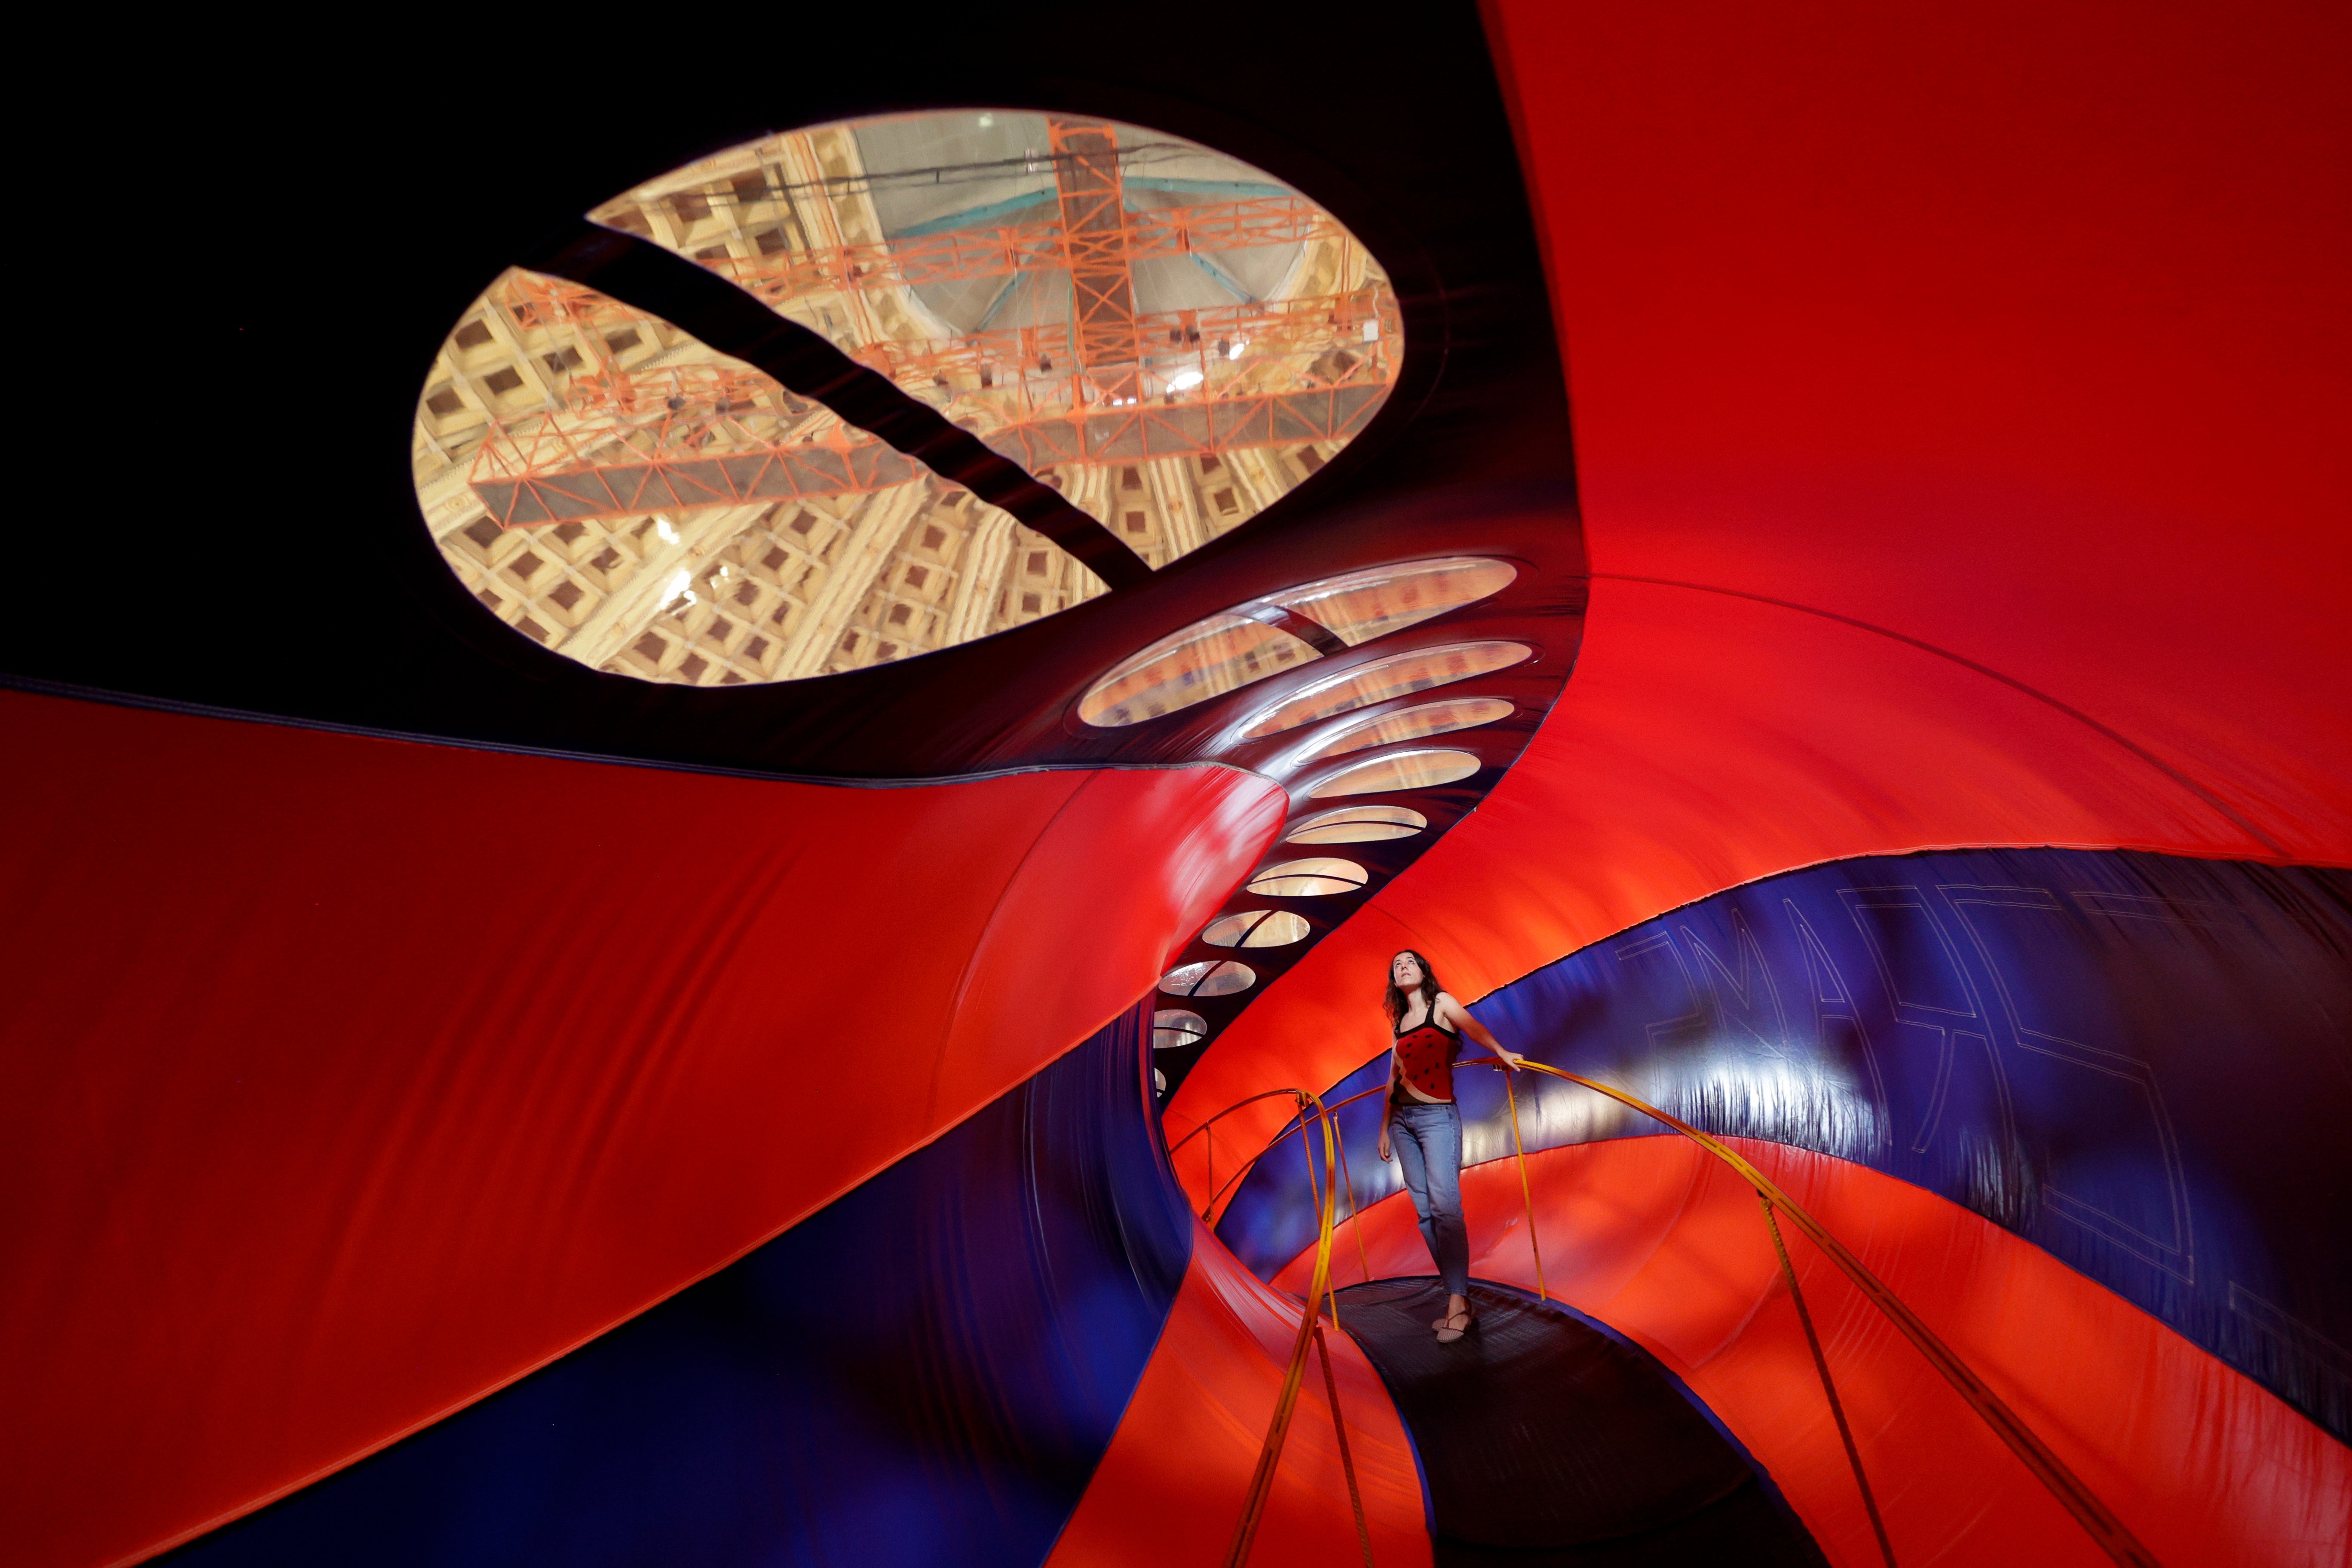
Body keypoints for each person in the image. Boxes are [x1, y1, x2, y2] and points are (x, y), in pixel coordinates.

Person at [1376, 949, 1525, 1342]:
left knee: (1445, 1206)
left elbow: (1472, 1027)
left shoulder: (1441, 1004)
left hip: (1436, 1119)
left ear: (1423, 971)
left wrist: (1500, 1052)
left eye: (1409, 961)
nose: (1402, 966)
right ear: (1394, 980)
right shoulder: (1399, 1025)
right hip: (1402, 1124)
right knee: (1425, 1213)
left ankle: (1458, 1302)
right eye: (1397, 965)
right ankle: (1458, 1298)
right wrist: (1383, 1129)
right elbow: (1394, 1078)